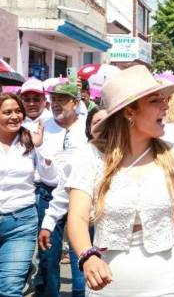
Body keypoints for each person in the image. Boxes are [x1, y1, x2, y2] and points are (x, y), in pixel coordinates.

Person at [65, 65, 174, 296]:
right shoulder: (92, 156)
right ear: (129, 112)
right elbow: (76, 218)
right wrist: (87, 257)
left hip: (163, 282)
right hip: (107, 284)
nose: (166, 105)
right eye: (155, 101)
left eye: (164, 99)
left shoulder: (173, 155)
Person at [35, 82, 88, 297]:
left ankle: (81, 293)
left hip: (80, 195)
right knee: (48, 254)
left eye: (62, 100)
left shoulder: (87, 127)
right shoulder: (42, 126)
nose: (56, 104)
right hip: (49, 195)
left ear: (75, 103)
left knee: (81, 252)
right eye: (53, 100)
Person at [0, 93, 48, 297]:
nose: (14, 116)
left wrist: (41, 148)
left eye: (18, 111)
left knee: (10, 288)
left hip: (20, 223)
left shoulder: (31, 139)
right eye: (7, 112)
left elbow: (51, 178)